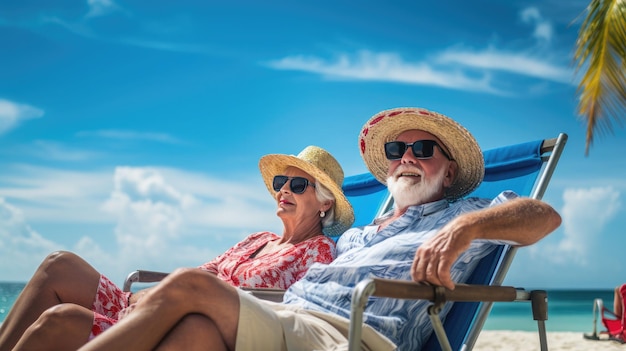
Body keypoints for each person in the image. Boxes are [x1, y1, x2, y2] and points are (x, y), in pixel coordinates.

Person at [77, 107, 562, 351]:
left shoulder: (467, 212)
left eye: (423, 150)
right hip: (294, 320)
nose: (408, 158)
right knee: (196, 331)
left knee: (188, 286)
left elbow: (544, 218)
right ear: (388, 169)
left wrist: (464, 231)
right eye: (397, 152)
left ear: (450, 173)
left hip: (352, 337)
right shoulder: (354, 237)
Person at [0, 145, 355, 351]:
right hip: (156, 306)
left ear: (325, 203)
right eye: (281, 182)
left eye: (297, 184)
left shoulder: (319, 252)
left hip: (189, 326)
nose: (284, 190)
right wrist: (146, 299)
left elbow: (283, 310)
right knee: (59, 264)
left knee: (59, 320)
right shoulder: (257, 239)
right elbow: (203, 273)